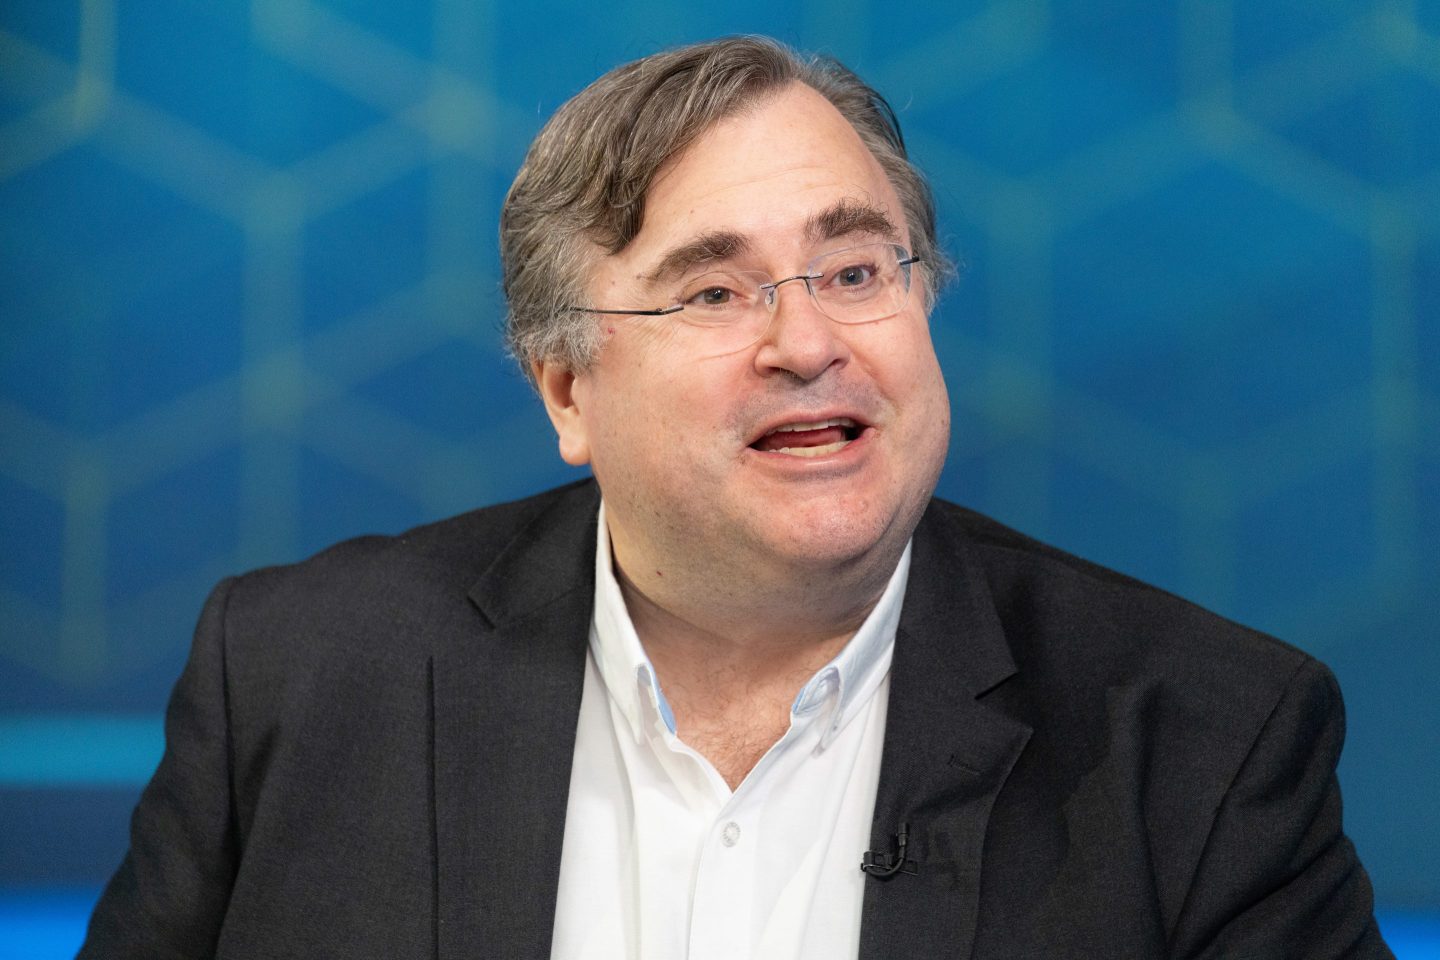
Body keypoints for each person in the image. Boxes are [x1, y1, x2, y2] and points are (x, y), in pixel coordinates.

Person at [80, 36, 1392, 960]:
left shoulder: (1204, 739)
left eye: (856, 270)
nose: (806, 342)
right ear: (567, 390)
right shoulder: (300, 672)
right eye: (714, 291)